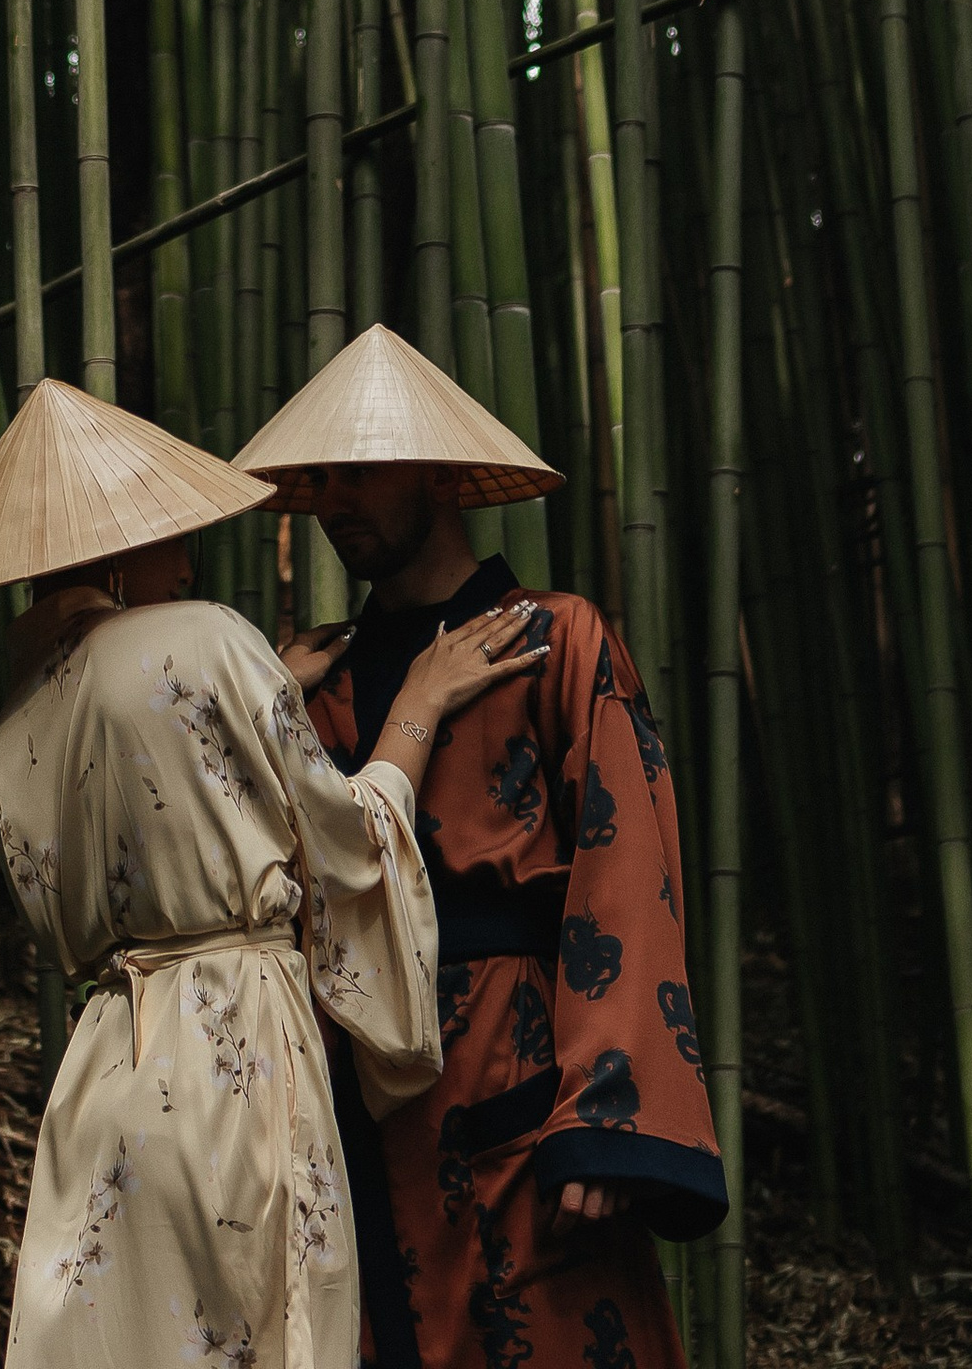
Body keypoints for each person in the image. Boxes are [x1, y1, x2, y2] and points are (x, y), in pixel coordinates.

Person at [0, 371, 540, 1369]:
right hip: (232, 1052)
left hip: (109, 1068)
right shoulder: (205, 638)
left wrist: (257, 697)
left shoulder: (17, 722)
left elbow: (135, 774)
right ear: (120, 549)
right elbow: (342, 840)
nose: (187, 551)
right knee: (274, 1331)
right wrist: (416, 704)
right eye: (168, 532)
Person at [238, 327, 725, 1369]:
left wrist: (602, 1109)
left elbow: (626, 867)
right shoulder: (313, 677)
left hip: (521, 1082)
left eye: (357, 473)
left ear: (436, 472)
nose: (331, 502)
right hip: (361, 1092)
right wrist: (266, 709)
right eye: (318, 478)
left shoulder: (558, 639)